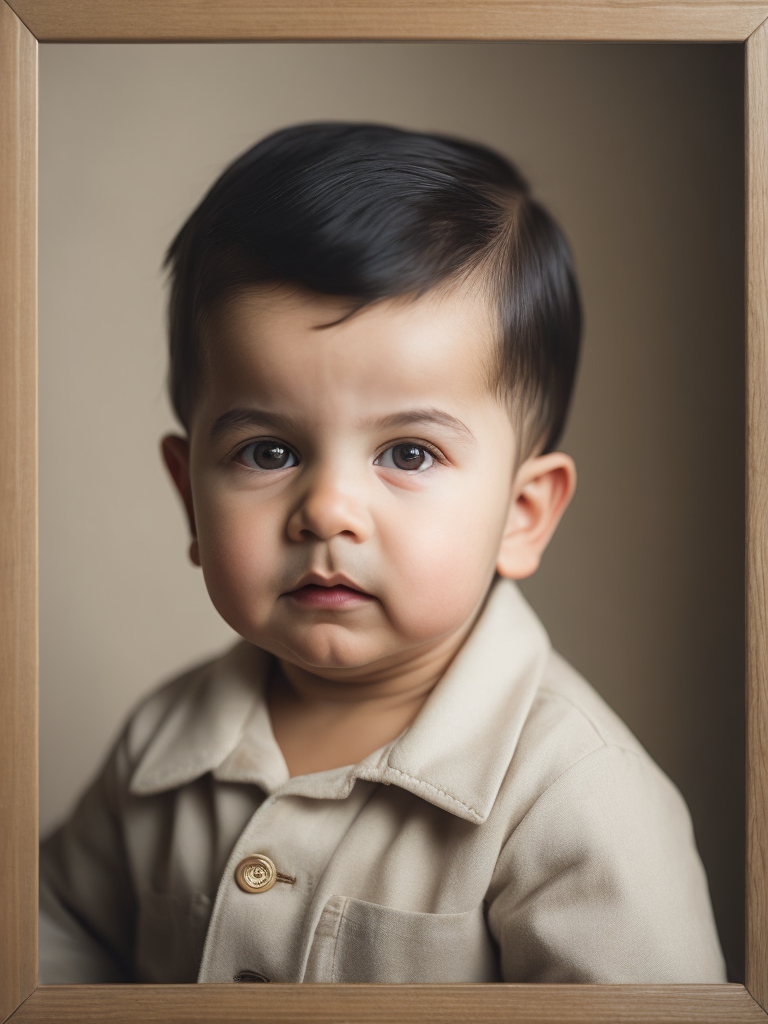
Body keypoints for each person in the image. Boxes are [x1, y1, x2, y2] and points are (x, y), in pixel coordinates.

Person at [39, 122, 727, 985]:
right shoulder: (163, 749)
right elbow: (54, 935)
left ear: (522, 513)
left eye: (408, 454)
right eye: (268, 451)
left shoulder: (576, 798)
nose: (326, 510)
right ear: (189, 492)